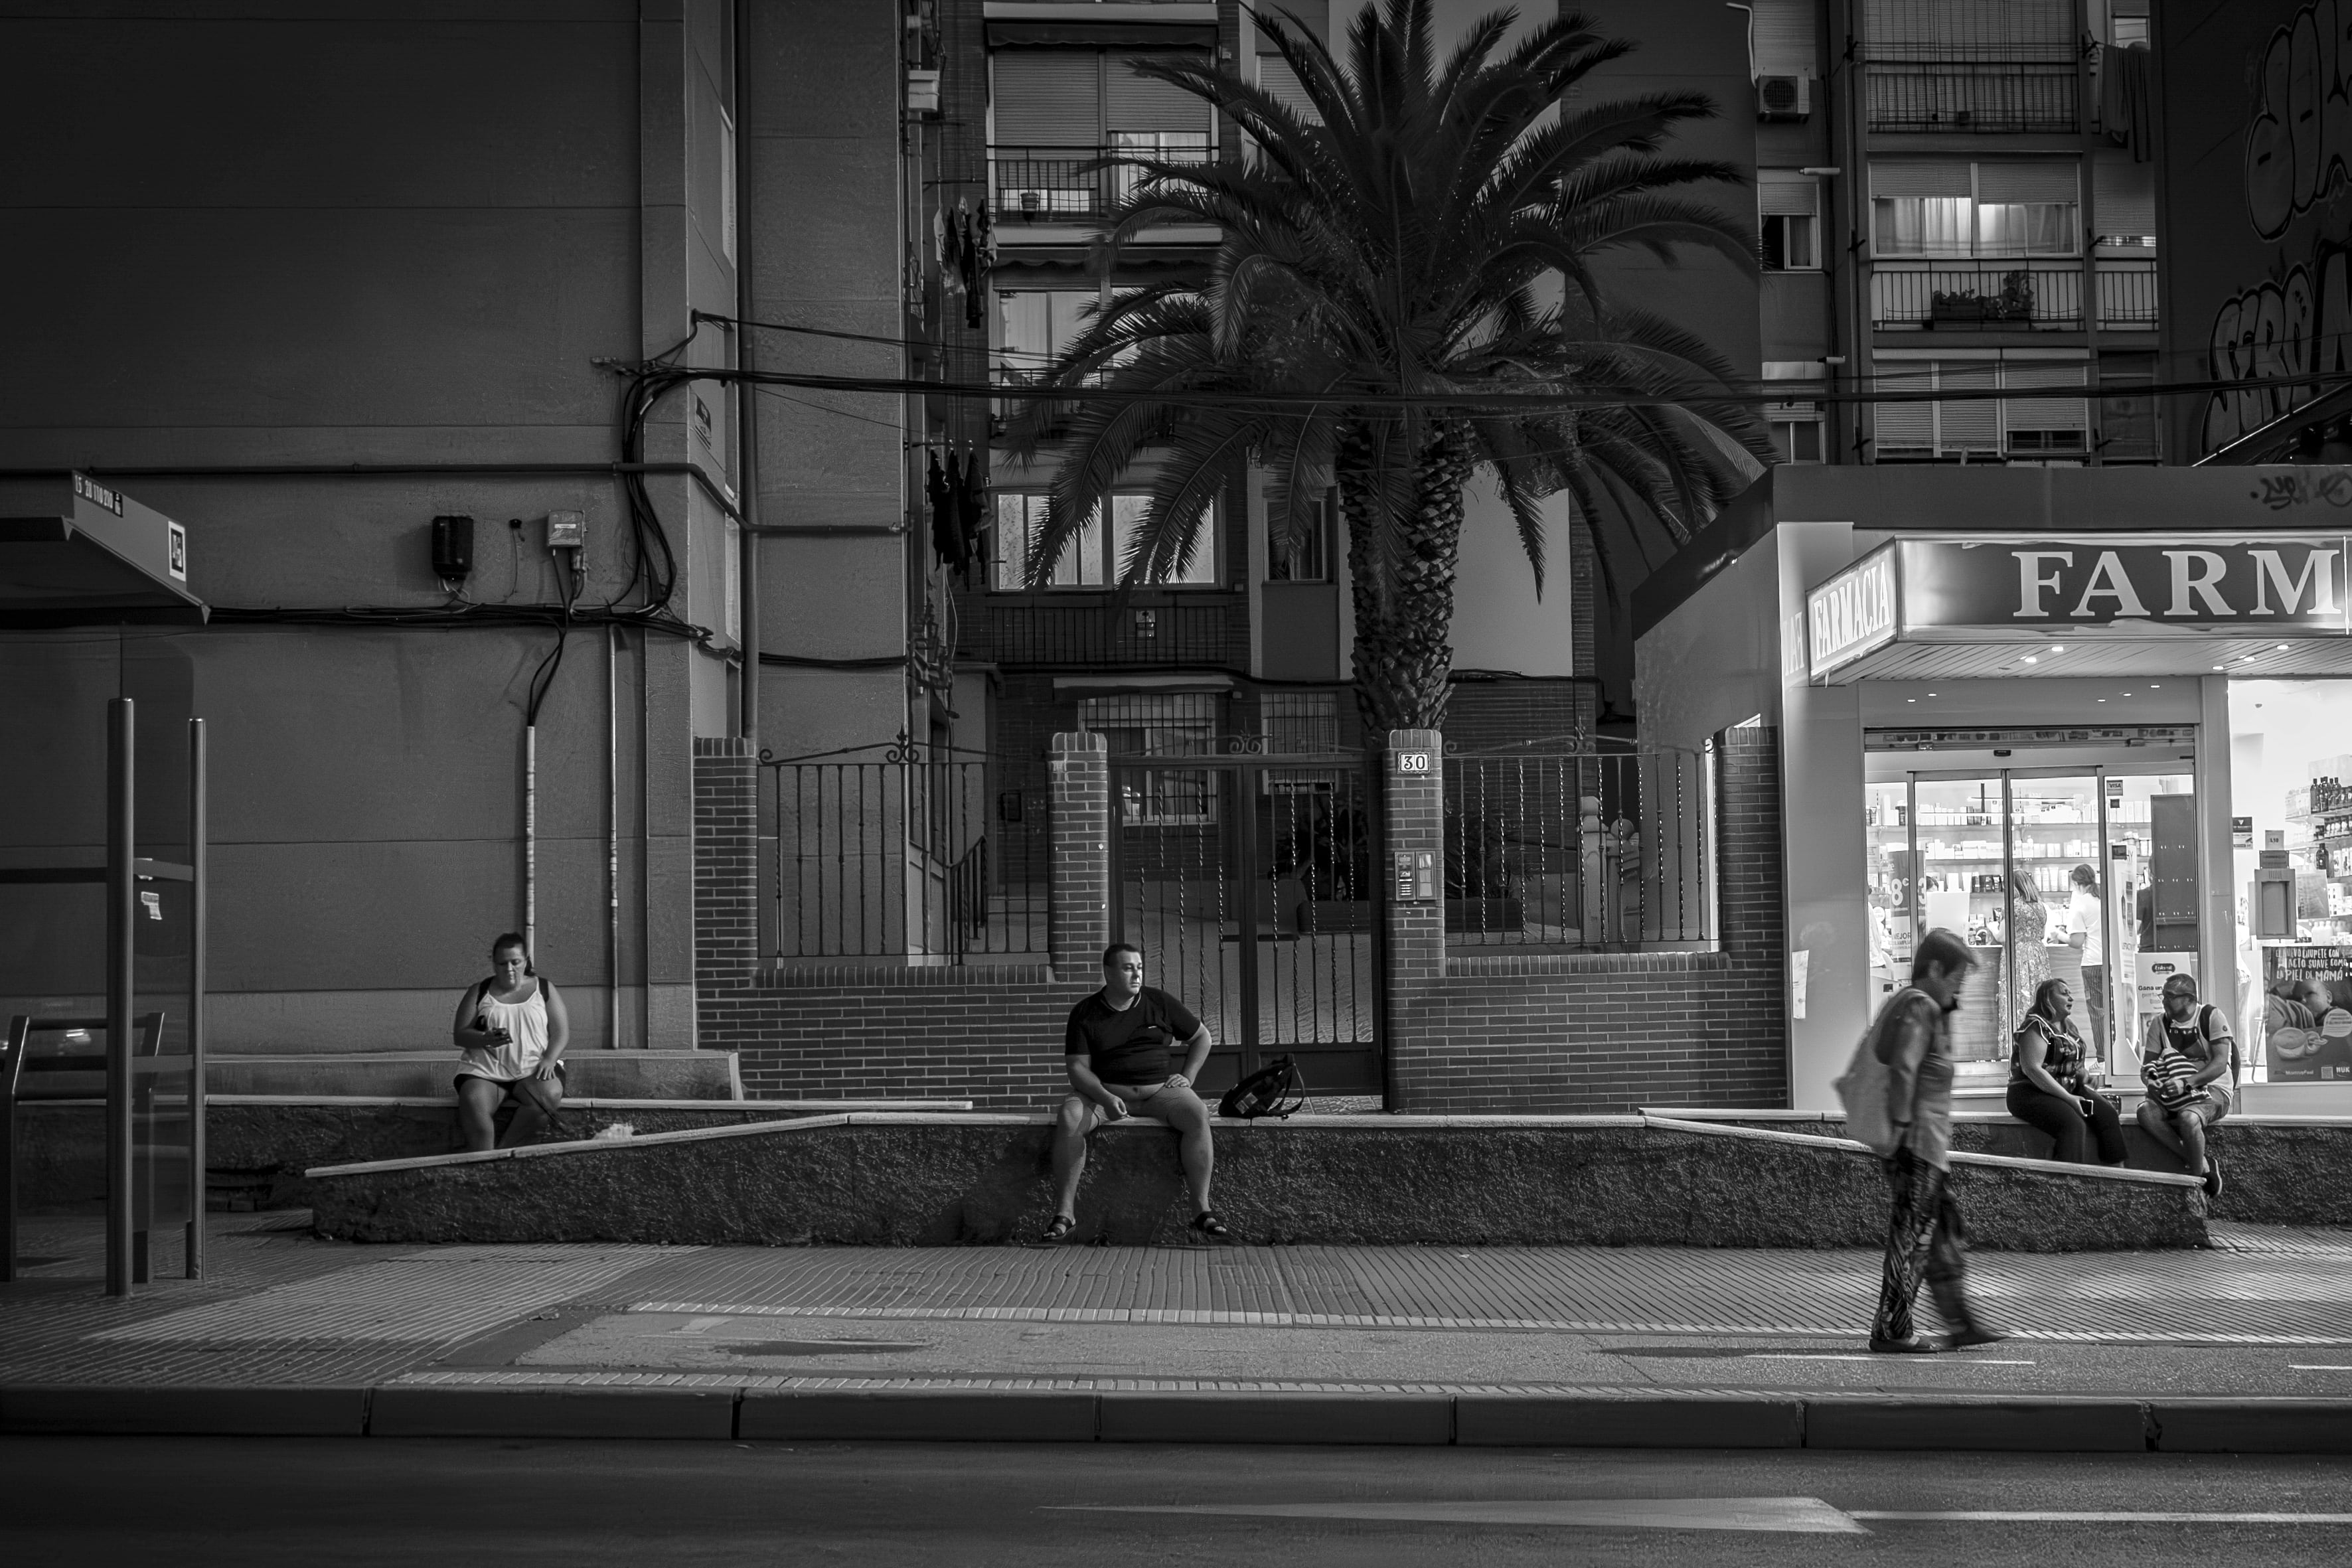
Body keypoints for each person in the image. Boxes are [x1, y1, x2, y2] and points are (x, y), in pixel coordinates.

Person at [1870, 927, 2003, 1355]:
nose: (1959, 987)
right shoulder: (1921, 1007)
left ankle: (1961, 1323)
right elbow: (1905, 1070)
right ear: (1932, 969)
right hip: (1917, 1145)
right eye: (1956, 977)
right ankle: (1892, 1331)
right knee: (1911, 1239)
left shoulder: (1925, 1006)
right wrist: (1902, 1134)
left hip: (1929, 1147)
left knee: (1941, 1236)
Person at [1044, 943, 1228, 1243]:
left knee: (1198, 1114)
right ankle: (1065, 1214)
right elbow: (1077, 1068)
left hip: (1159, 1094)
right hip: (1104, 1096)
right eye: (1128, 968)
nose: (1137, 974)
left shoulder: (1159, 1002)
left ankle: (1201, 1209)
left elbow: (1202, 1037)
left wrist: (1187, 1076)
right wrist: (1104, 1097)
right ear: (1108, 973)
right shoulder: (1086, 1012)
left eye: (1139, 967)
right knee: (1070, 1115)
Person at [450, 932, 570, 1153]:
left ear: (526, 961)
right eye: (503, 963)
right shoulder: (480, 991)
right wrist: (485, 1039)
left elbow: (561, 1032)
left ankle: (505, 1154)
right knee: (473, 1100)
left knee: (549, 1094)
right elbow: (460, 1035)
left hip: (531, 1070)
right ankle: (482, 1158)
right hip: (486, 1070)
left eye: (515, 962)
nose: (510, 969)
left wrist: (550, 1059)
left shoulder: (543, 989)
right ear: (494, 965)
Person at [2136, 971, 2235, 1199]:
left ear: (2189, 999)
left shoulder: (2211, 1016)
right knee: (2145, 1113)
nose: (2163, 1001)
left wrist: (2186, 1084)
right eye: (2164, 995)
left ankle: (2196, 1182)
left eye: (2170, 996)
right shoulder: (2159, 1024)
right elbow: (2148, 1066)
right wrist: (2153, 1080)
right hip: (2171, 1095)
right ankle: (2200, 1164)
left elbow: (2220, 1065)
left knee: (2189, 1119)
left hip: (2212, 1090)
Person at [2006, 979, 2126, 1166]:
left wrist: (2083, 1075)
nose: (2070, 998)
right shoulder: (2034, 1026)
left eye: (2070, 993)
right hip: (2030, 1093)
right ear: (2047, 998)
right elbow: (2033, 1069)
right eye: (2063, 993)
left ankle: (2118, 1177)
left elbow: (2071, 1064)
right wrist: (2070, 1099)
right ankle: (2069, 1185)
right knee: (2073, 1124)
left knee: (2108, 1114)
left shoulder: (2069, 1027)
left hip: (2067, 1089)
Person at [2063, 864, 2107, 1056]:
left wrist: (2059, 934)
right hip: (2112, 962)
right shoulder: (2104, 899)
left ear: (2077, 884)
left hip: (2093, 963)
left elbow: (2076, 941)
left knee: (2098, 1011)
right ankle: (2117, 1056)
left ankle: (2104, 1057)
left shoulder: (2080, 904)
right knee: (2114, 1010)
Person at [2007, 866, 2049, 1022]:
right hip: (2038, 955)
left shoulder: (2014, 906)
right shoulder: (2040, 905)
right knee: (2038, 996)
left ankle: (2020, 1038)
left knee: (2020, 996)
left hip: (2019, 955)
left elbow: (2004, 936)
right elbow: (2043, 934)